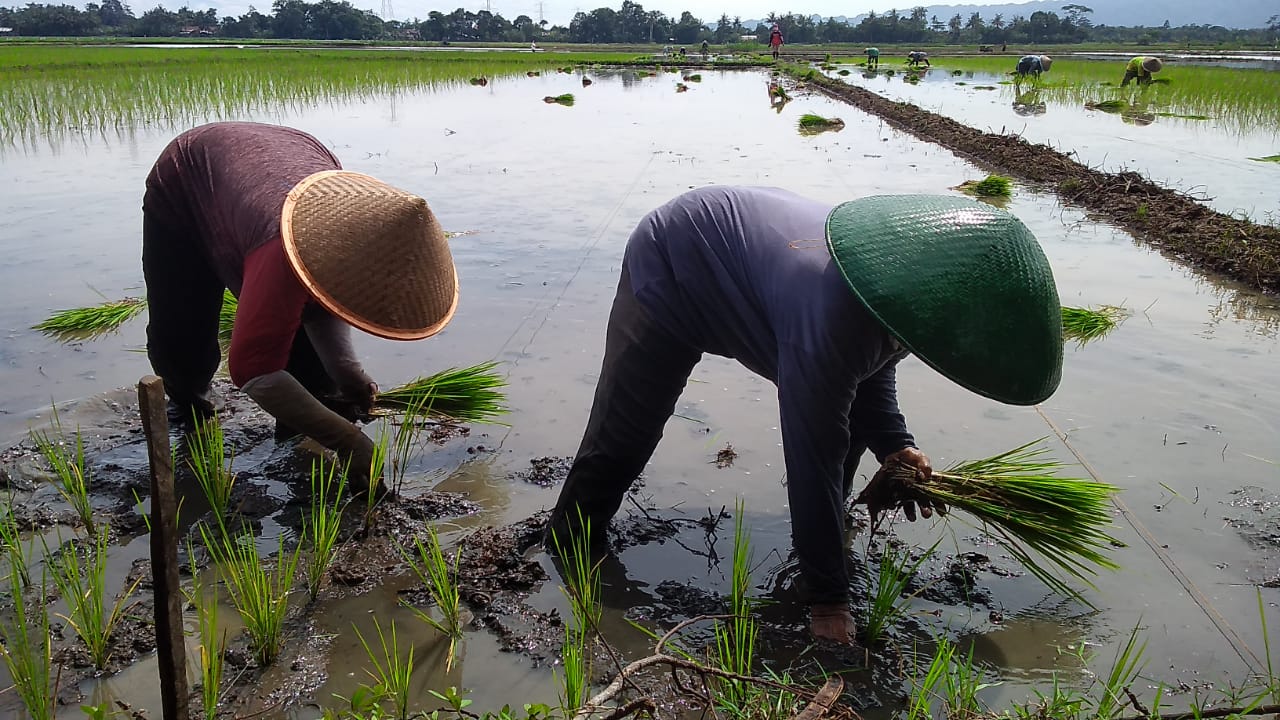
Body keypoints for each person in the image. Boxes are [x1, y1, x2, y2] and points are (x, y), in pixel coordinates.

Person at [546, 186, 1064, 645]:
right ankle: (565, 545)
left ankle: (822, 546)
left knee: (842, 439)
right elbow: (812, 450)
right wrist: (830, 605)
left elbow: (873, 365)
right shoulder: (833, 310)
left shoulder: (909, 297)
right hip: (675, 258)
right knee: (627, 429)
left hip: (762, 280)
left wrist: (893, 444)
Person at [143, 122, 458, 494]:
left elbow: (328, 300)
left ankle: (296, 460)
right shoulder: (281, 247)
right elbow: (252, 370)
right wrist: (350, 442)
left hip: (276, 166)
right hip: (189, 182)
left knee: (314, 377)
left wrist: (347, 370)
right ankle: (194, 411)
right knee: (184, 343)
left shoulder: (359, 240)